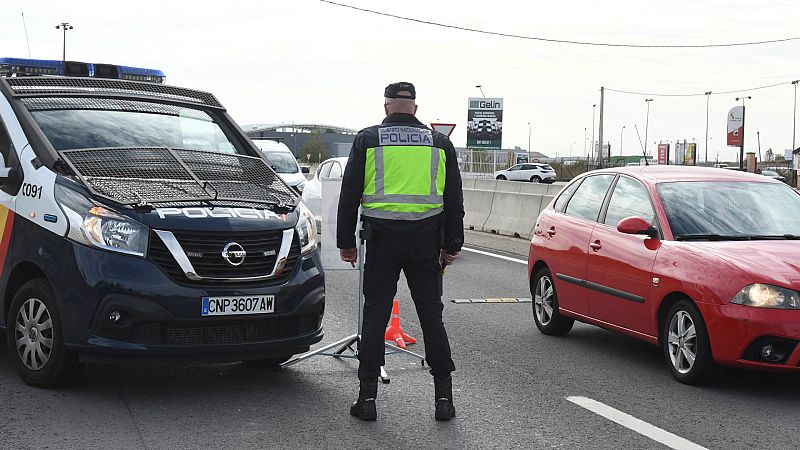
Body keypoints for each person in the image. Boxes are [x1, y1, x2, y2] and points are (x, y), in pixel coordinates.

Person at [337, 82, 464, 421]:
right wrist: (452, 245)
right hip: (426, 243)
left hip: (381, 242)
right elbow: (454, 201)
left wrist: (345, 243)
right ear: (416, 109)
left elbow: (349, 195)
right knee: (431, 318)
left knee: (375, 316)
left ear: (386, 107)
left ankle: (367, 400)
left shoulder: (368, 139)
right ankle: (443, 401)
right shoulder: (440, 143)